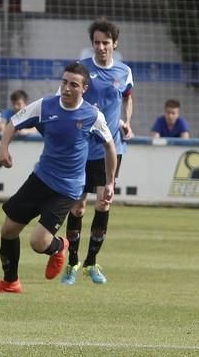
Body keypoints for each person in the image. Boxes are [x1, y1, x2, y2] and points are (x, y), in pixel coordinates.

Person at [0, 62, 116, 293]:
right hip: (41, 178)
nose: (67, 88)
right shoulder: (45, 106)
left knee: (38, 242)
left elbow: (110, 147)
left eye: (73, 84)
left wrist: (109, 183)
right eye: (64, 82)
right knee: (8, 230)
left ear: (84, 88)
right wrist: (3, 148)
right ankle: (10, 282)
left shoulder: (93, 115)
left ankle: (59, 247)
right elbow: (13, 123)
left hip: (67, 188)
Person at [61, 18, 134, 286]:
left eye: (105, 42)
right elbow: (67, 98)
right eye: (96, 43)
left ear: (115, 43)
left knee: (104, 201)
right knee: (78, 207)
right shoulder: (82, 71)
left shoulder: (124, 72)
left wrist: (127, 121)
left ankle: (91, 262)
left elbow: (127, 98)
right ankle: (72, 263)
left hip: (111, 149)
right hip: (82, 148)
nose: (101, 47)